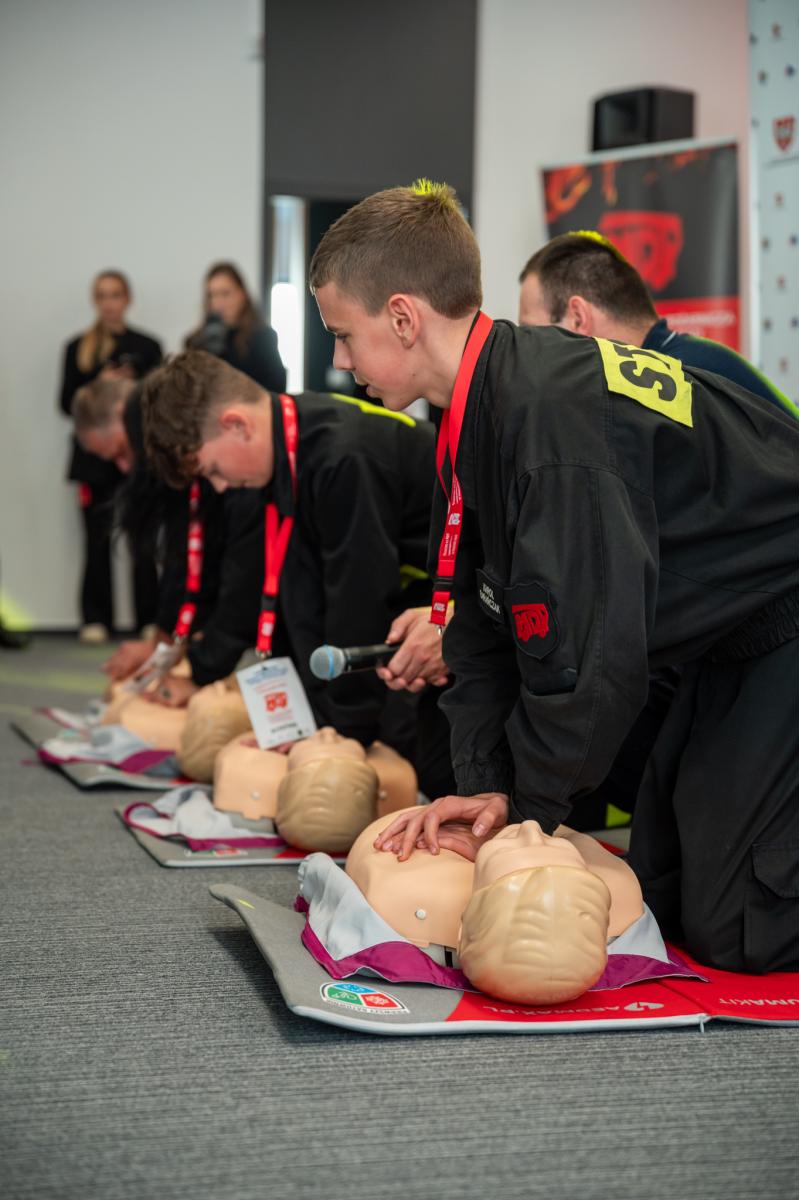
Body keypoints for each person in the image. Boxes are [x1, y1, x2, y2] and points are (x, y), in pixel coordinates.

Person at [310, 180, 799, 973]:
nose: (339, 360)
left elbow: (589, 659)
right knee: (667, 889)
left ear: (401, 318)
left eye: (342, 335)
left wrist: (524, 812)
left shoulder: (546, 418)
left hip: (780, 615)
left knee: (744, 928)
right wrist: (486, 788)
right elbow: (477, 627)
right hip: (726, 632)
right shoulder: (482, 408)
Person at [140, 350, 452, 796]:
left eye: (213, 470)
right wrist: (304, 718)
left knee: (415, 761)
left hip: (461, 603)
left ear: (237, 425)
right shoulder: (289, 451)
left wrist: (339, 731)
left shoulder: (341, 456)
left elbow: (357, 598)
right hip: (410, 590)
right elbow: (294, 595)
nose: (219, 487)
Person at [518, 231, 799, 418]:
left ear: (578, 317)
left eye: (532, 332)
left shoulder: (683, 380)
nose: (530, 350)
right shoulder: (684, 361)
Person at [59, 270, 162, 642]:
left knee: (142, 541)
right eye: (102, 295)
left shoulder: (148, 346)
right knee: (96, 541)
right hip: (93, 465)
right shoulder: (78, 348)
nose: (109, 303)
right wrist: (99, 385)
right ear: (95, 301)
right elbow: (65, 403)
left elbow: (159, 402)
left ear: (127, 299)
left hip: (136, 460)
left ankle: (149, 618)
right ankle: (95, 618)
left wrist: (129, 387)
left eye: (115, 294)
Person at [186, 261, 287, 392]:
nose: (218, 303)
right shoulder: (195, 342)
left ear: (242, 294)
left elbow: (276, 387)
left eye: (225, 294)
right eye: (212, 295)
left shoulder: (263, 338)